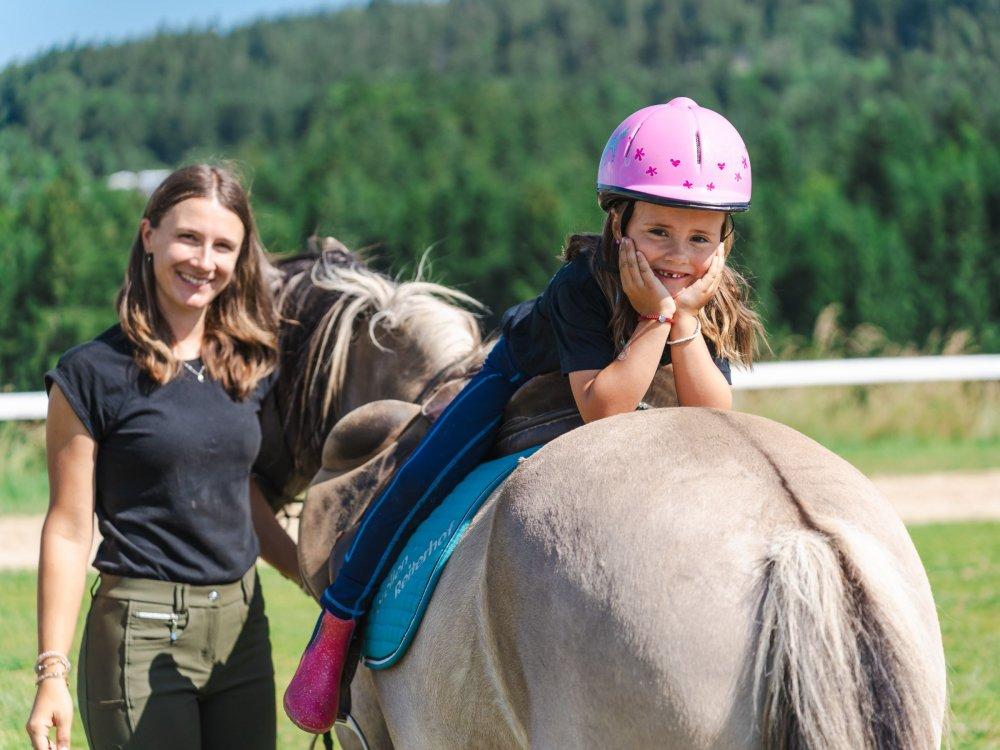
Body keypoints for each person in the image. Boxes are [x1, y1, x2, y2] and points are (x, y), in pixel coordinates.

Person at [283, 96, 765, 733]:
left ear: (723, 244)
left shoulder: (707, 294)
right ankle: (337, 627)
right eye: (657, 232)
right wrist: (657, 317)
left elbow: (711, 411)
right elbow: (602, 407)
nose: (677, 255)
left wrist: (685, 321)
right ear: (619, 225)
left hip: (635, 372)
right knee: (419, 477)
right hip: (527, 376)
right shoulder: (581, 285)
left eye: (700, 237)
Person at [26, 164, 300, 750]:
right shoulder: (89, 374)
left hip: (242, 630)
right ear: (149, 235)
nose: (204, 261)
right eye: (188, 238)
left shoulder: (250, 366)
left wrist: (310, 574)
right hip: (141, 629)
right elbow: (71, 529)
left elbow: (236, 493)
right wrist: (52, 674)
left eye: (223, 245)